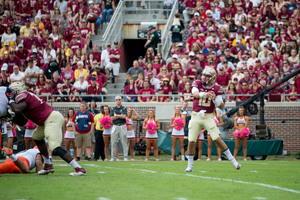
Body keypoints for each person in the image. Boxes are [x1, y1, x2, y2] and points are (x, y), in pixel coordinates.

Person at [8, 82, 86, 176]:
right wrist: (9, 117)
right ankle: (48, 165)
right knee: (36, 136)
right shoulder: (25, 98)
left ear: (16, 91)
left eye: (11, 93)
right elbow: (22, 121)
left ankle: (79, 168)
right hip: (45, 121)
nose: (10, 95)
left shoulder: (23, 95)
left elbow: (17, 109)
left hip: (51, 118)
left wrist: (11, 101)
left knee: (54, 147)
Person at [185, 67, 241, 172]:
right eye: (204, 75)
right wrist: (204, 94)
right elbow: (195, 94)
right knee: (191, 140)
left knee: (216, 138)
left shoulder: (217, 88)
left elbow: (221, 105)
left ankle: (233, 161)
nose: (204, 77)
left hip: (209, 116)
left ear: (212, 78)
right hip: (196, 115)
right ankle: (190, 166)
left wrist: (214, 100)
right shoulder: (197, 83)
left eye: (207, 76)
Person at [110, 96, 128, 161]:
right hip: (115, 125)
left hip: (122, 126)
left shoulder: (124, 108)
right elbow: (112, 118)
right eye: (116, 100)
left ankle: (125, 156)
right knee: (113, 142)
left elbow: (124, 116)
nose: (118, 101)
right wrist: (120, 115)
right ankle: (113, 157)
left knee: (124, 142)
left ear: (121, 100)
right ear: (115, 101)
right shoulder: (112, 108)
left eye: (119, 99)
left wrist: (116, 116)